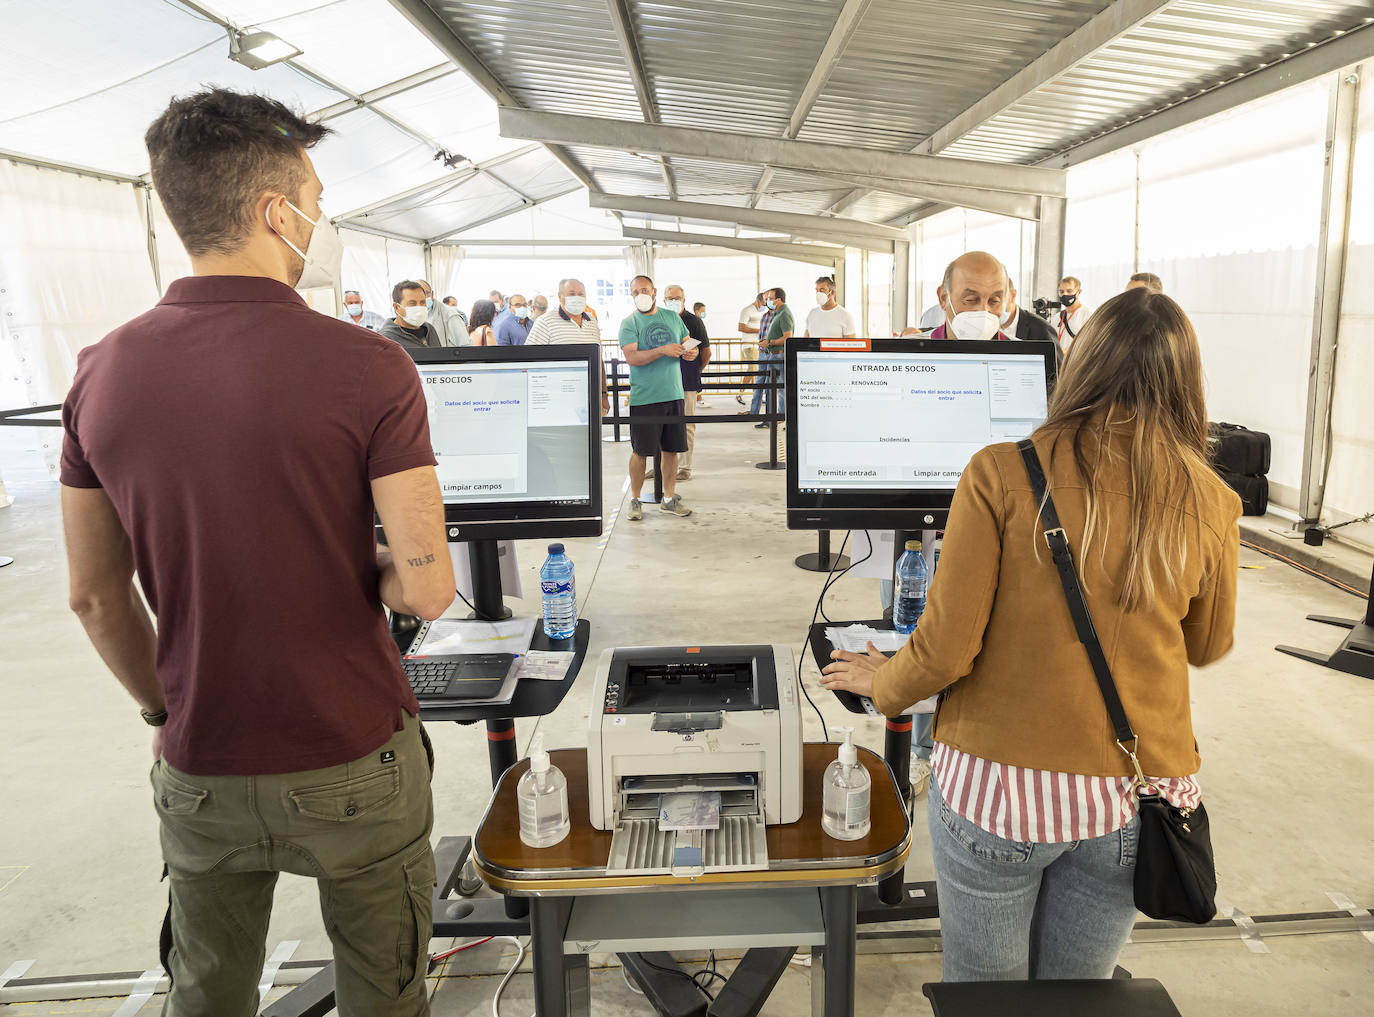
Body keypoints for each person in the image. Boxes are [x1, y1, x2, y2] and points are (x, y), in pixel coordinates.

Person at [60, 89, 454, 1016]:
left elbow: (95, 597)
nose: (320, 218)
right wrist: (365, 568)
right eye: (314, 199)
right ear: (278, 213)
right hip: (352, 751)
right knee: (384, 991)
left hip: (201, 760)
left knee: (208, 991)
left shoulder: (99, 371)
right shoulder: (371, 366)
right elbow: (429, 586)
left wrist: (165, 706)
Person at [821, 287, 1240, 983]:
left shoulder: (1000, 471)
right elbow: (1206, 644)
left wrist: (884, 682)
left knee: (986, 991)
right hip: (1133, 797)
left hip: (998, 792)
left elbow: (947, 648)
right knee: (1078, 991)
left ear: (1080, 364)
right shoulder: (1211, 498)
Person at [620, 274, 696, 521]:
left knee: (671, 450)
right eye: (635, 292)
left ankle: (668, 498)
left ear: (654, 292)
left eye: (644, 290)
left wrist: (691, 352)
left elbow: (688, 343)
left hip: (673, 394)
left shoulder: (672, 317)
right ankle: (635, 499)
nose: (640, 294)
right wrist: (662, 349)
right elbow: (632, 358)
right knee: (640, 451)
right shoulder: (629, 323)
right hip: (644, 397)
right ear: (631, 295)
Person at [527, 277, 611, 416]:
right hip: (558, 400)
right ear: (560, 297)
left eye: (581, 294)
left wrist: (603, 394)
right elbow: (530, 360)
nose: (577, 297)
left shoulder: (592, 321)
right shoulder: (545, 322)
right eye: (571, 294)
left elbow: (598, 360)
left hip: (589, 398)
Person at [664, 284, 709, 481]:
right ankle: (661, 467)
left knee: (687, 425)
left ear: (684, 299)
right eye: (670, 298)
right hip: (663, 381)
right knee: (662, 425)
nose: (674, 301)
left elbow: (706, 352)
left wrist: (695, 371)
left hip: (687, 381)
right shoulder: (660, 319)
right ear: (664, 300)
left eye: (677, 298)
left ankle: (684, 467)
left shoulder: (694, 322)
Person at [928, 252, 1014, 341]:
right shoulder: (920, 347)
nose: (984, 311)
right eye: (971, 300)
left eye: (994, 301)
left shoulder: (1019, 349)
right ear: (943, 298)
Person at [747, 288, 791, 426]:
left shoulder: (784, 314)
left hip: (778, 355)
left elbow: (788, 337)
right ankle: (769, 419)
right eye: (767, 299)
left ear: (779, 299)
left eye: (771, 298)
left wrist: (770, 342)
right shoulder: (777, 314)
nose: (768, 301)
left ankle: (779, 417)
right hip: (771, 355)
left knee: (779, 389)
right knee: (769, 389)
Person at [379, 280, 442, 351]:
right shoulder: (386, 339)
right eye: (412, 303)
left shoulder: (429, 329)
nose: (419, 307)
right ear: (396, 307)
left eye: (422, 302)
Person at [1001, 275, 1057, 343]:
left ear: (1012, 296)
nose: (989, 309)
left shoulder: (1041, 330)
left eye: (995, 300)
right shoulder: (990, 329)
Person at [417, 278, 468, 346]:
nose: (423, 297)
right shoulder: (411, 315)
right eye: (417, 295)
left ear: (432, 294)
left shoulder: (450, 315)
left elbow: (465, 345)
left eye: (426, 293)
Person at [736, 292, 766, 406]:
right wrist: (759, 331)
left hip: (759, 344)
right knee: (752, 369)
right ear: (758, 300)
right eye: (763, 304)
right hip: (749, 344)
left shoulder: (762, 312)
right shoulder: (747, 310)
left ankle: (757, 395)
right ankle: (740, 393)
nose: (764, 306)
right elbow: (741, 327)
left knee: (757, 371)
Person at [1056, 276, 1092, 353]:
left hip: (1076, 359)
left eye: (1069, 291)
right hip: (1059, 359)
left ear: (1079, 292)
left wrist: (1067, 352)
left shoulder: (1088, 314)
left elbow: (1091, 343)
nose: (1065, 294)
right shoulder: (1056, 317)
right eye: (1061, 291)